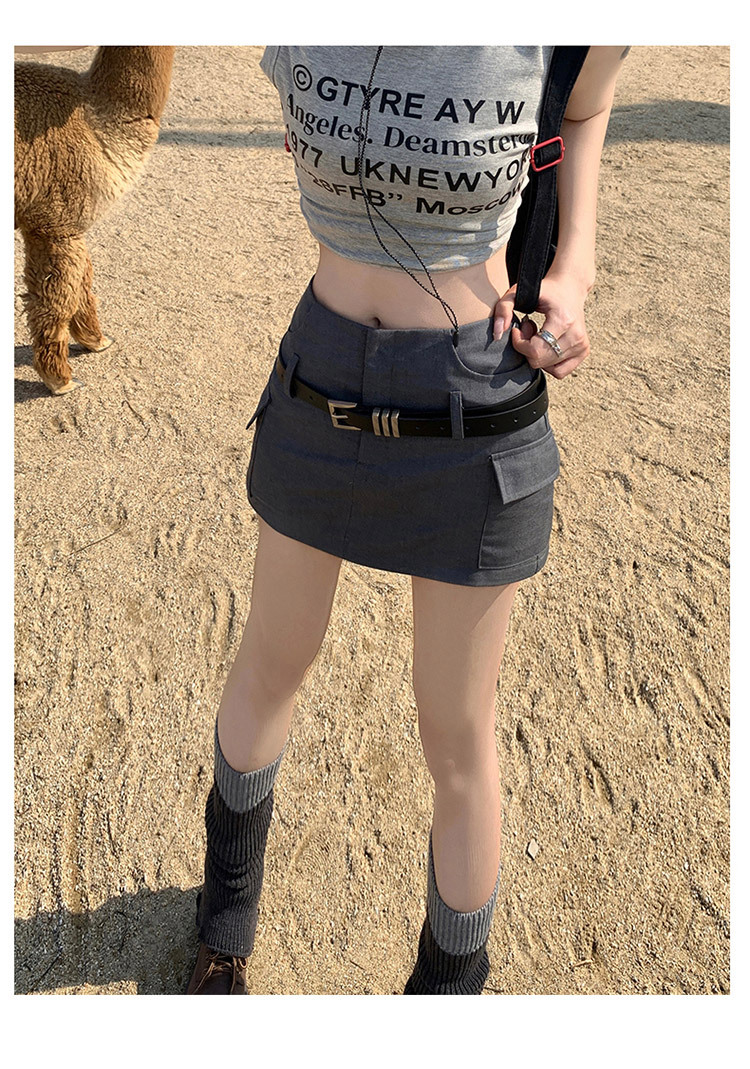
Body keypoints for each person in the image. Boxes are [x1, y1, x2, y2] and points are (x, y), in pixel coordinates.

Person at [186, 44, 627, 996]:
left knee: (455, 730)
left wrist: (574, 265)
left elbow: (584, 104)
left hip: (475, 401)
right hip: (320, 377)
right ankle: (223, 921)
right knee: (271, 660)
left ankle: (444, 999)